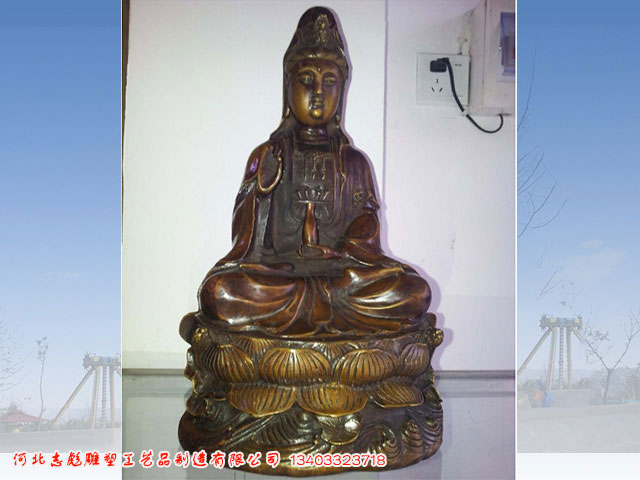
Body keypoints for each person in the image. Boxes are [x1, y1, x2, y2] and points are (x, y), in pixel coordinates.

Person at [196, 7, 431, 338]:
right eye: (306, 79)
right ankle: (325, 321)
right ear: (288, 87)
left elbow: (367, 229)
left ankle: (311, 319)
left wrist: (344, 248)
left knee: (415, 292)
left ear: (341, 91)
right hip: (282, 281)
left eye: (329, 81)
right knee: (220, 293)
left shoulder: (354, 162)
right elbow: (244, 245)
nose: (318, 92)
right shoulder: (267, 155)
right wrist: (261, 194)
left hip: (341, 281)